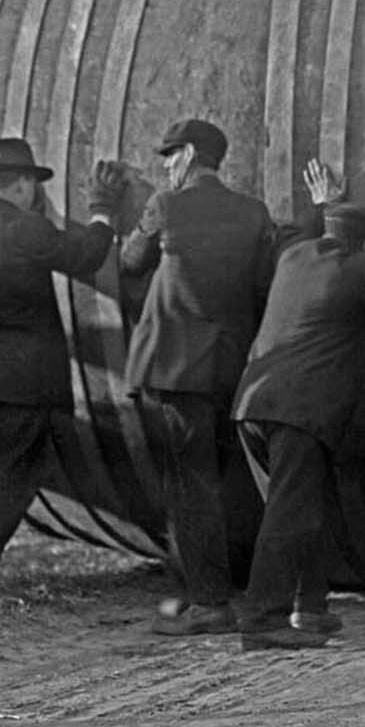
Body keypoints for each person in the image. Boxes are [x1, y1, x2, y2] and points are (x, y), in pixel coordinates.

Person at [0, 138, 125, 599]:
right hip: (22, 377)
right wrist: (102, 210)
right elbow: (86, 256)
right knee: (17, 474)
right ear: (25, 185)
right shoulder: (26, 227)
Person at [120, 118, 277, 636]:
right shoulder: (253, 213)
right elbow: (262, 290)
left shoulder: (167, 205)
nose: (165, 165)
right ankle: (236, 590)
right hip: (231, 366)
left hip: (173, 367)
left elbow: (131, 261)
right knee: (227, 481)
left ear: (188, 154)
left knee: (190, 485)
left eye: (169, 155)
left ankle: (209, 602)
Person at [233, 199, 365, 650]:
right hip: (301, 410)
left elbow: (289, 231)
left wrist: (322, 203)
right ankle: (264, 621)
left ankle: (311, 606)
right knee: (289, 514)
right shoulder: (360, 272)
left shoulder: (294, 257)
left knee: (302, 505)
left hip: (253, 403)